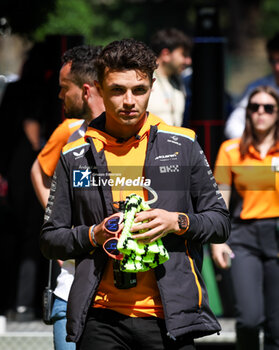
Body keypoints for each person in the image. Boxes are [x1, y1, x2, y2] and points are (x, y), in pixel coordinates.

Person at [40, 38, 230, 350]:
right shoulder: (75, 154)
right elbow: (50, 239)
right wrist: (93, 235)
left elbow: (220, 222)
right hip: (100, 318)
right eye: (117, 90)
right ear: (100, 88)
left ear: (152, 87)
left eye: (139, 90)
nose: (129, 100)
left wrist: (177, 221)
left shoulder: (183, 144)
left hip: (170, 319)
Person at [31, 45, 104, 350]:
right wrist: (60, 225)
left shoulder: (137, 137)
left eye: (65, 88)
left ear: (85, 90)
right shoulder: (69, 132)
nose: (60, 97)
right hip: (69, 288)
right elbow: (38, 169)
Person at [211, 86, 279, 350]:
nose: (261, 113)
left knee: (277, 326)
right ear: (248, 112)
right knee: (249, 319)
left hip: (276, 233)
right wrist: (217, 241)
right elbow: (221, 199)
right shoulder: (231, 150)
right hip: (244, 237)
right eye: (255, 107)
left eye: (269, 108)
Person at [225, 32, 279, 139]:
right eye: (273, 61)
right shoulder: (256, 88)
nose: (277, 67)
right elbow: (233, 124)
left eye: (268, 108)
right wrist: (255, 145)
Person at [148, 28, 192, 127]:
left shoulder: (181, 81)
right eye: (184, 55)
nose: (188, 61)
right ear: (166, 54)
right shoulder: (142, 79)